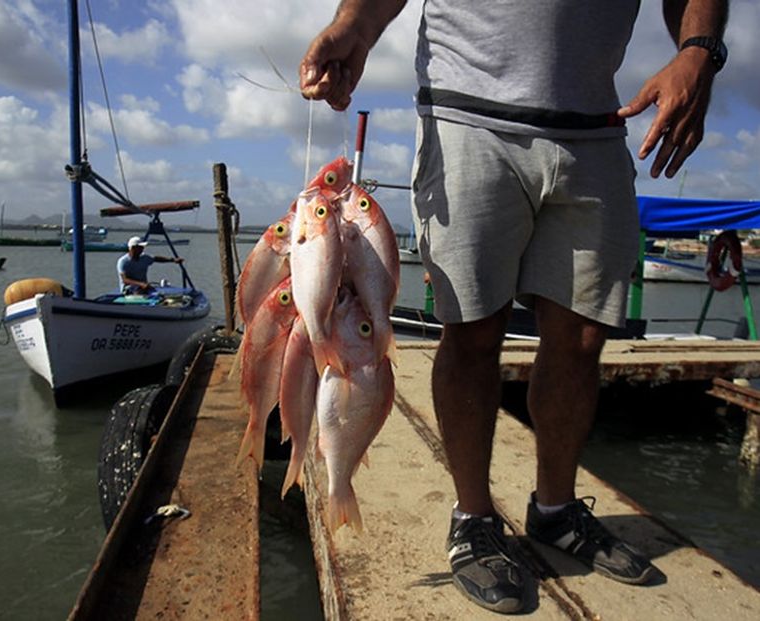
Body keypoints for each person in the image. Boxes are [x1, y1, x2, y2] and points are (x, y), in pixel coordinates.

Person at [300, 0, 728, 613]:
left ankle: (555, 511)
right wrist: (355, 26)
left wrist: (699, 53)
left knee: (582, 339)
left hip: (597, 127)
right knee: (472, 331)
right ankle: (473, 520)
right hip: (467, 119)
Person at [117, 235, 184, 293]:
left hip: (144, 287)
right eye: (140, 247)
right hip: (128, 289)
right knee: (138, 291)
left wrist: (172, 260)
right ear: (133, 248)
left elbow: (156, 258)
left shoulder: (144, 258)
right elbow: (125, 280)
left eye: (142, 247)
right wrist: (141, 284)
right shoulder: (123, 261)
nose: (142, 249)